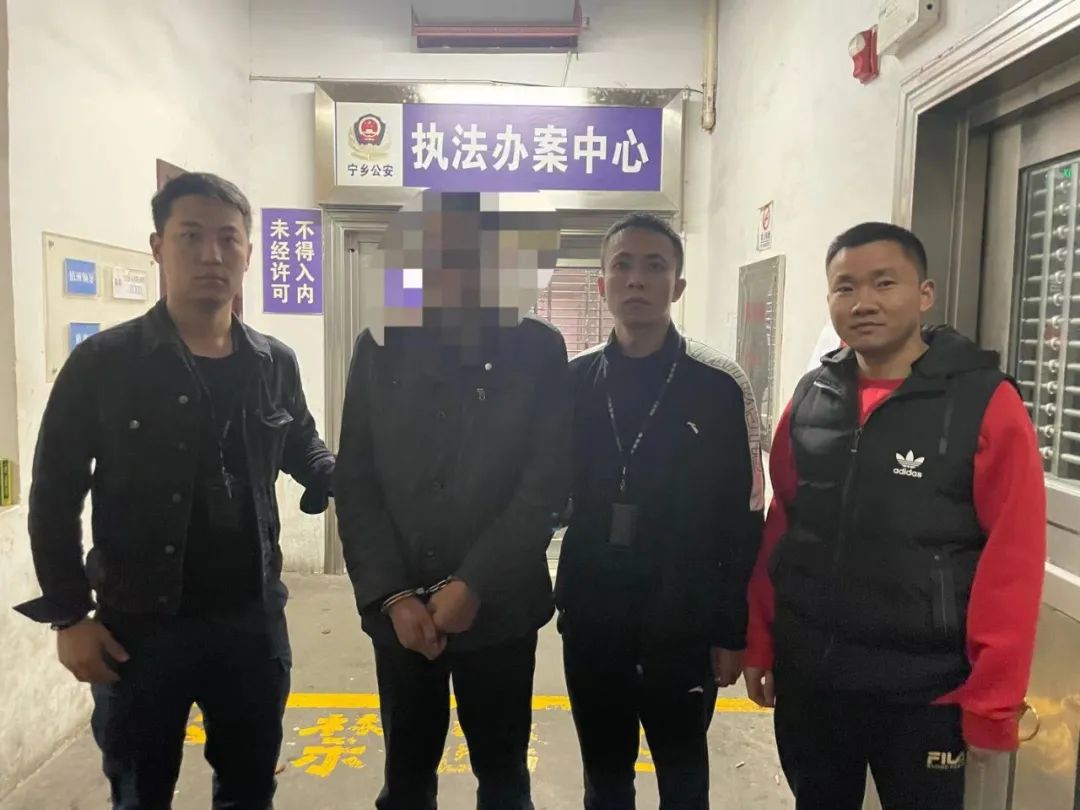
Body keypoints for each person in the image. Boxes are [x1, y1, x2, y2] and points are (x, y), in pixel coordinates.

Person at [15, 172, 335, 809]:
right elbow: (53, 496)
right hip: (140, 627)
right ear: (158, 246)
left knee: (249, 789)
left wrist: (348, 478)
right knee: (141, 793)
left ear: (249, 253)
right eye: (191, 237)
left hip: (251, 623)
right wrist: (70, 617)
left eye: (228, 239)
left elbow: (302, 443)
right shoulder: (104, 363)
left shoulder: (273, 361)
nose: (211, 255)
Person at [744, 222, 1046, 810]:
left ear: (924, 293)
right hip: (814, 681)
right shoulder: (811, 397)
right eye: (845, 287)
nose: (864, 302)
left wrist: (993, 698)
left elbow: (1013, 557)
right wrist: (761, 641)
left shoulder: (983, 402)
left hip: (926, 693)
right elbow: (783, 528)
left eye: (884, 283)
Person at [334, 190, 570, 810]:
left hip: (501, 610)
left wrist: (475, 582)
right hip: (402, 614)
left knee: (504, 777)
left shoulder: (536, 349)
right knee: (407, 780)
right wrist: (391, 594)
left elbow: (545, 482)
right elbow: (356, 480)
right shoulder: (380, 345)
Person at [556, 212, 765, 810]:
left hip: (685, 621)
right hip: (593, 618)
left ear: (678, 285)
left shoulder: (719, 385)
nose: (637, 280)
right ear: (602, 284)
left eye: (655, 266)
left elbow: (745, 514)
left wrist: (731, 630)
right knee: (604, 777)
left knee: (683, 777)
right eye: (622, 266)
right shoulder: (573, 383)